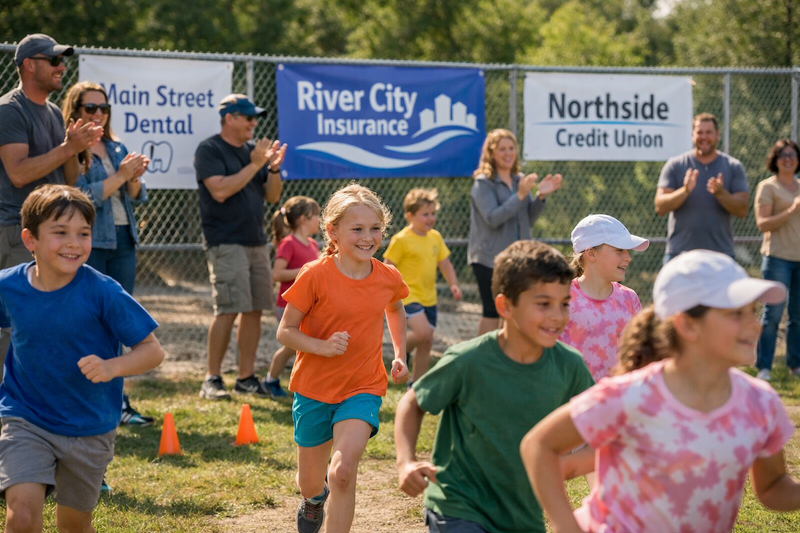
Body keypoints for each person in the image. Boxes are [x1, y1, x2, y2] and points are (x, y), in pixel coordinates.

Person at [521, 250, 800, 533]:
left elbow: (773, 488)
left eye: (752, 312)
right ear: (687, 325)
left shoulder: (760, 402)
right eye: (735, 314)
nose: (753, 325)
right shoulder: (631, 396)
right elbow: (539, 445)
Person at [395, 240, 594, 533]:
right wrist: (405, 462)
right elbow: (413, 402)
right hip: (459, 506)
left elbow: (598, 429)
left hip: (522, 517)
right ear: (505, 306)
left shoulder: (570, 365)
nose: (557, 315)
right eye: (543, 304)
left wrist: (565, 466)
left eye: (564, 304)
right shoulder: (469, 360)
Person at [0, 184, 164, 533]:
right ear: (30, 240)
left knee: (73, 526)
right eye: (60, 233)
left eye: (83, 233)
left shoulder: (103, 291)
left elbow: (153, 350)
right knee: (22, 517)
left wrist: (112, 367)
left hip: (89, 426)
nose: (74, 243)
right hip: (25, 418)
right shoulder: (8, 287)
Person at [276, 183, 409, 533]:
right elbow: (285, 331)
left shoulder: (387, 276)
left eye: (375, 229)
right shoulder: (314, 275)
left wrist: (399, 353)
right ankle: (313, 499)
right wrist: (322, 346)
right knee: (311, 481)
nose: (368, 237)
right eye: (358, 229)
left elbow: (395, 309)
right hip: (313, 388)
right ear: (332, 231)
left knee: (343, 472)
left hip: (363, 386)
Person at [0, 33, 103, 367]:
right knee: (12, 326)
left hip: (51, 233)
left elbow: (68, 179)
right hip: (18, 230)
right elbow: (17, 173)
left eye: (63, 60)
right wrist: (67, 148)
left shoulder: (55, 114)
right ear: (29, 65)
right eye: (54, 60)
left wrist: (78, 147)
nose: (62, 67)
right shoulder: (9, 110)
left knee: (47, 321)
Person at [63, 80, 153, 426]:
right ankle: (86, 396)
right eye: (90, 108)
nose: (99, 114)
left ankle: (117, 401)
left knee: (117, 322)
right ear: (75, 110)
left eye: (104, 108)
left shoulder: (115, 146)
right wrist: (121, 175)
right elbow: (81, 196)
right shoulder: (71, 150)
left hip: (123, 240)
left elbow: (136, 195)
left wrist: (133, 177)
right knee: (88, 322)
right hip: (91, 243)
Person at [194, 93, 285, 400]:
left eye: (254, 117)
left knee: (255, 309)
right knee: (228, 309)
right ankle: (212, 378)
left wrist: (271, 168)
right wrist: (255, 163)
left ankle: (246, 377)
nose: (253, 123)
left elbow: (272, 197)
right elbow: (220, 191)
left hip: (255, 241)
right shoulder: (209, 149)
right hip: (225, 241)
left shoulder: (252, 152)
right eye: (247, 117)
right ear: (229, 118)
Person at [468, 129, 563, 335]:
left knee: (511, 311)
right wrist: (520, 195)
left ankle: (504, 359)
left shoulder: (519, 180)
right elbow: (493, 218)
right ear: (492, 153)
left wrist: (540, 197)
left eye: (511, 148)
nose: (508, 153)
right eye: (502, 149)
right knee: (492, 311)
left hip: (518, 259)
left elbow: (527, 218)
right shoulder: (483, 183)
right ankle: (483, 362)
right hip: (488, 258)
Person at [384, 188, 462, 384]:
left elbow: (445, 263)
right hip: (407, 296)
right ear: (410, 215)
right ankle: (399, 352)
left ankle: (416, 386)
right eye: (425, 214)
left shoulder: (435, 237)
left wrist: (453, 284)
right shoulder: (401, 239)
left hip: (430, 298)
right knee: (423, 333)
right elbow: (388, 266)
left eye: (433, 213)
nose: (430, 218)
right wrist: (387, 290)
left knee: (426, 341)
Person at [560, 214, 648, 381]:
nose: (628, 257)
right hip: (571, 402)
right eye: (619, 250)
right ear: (591, 253)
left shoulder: (629, 298)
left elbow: (640, 353)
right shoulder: (561, 297)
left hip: (617, 402)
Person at [654, 113, 749, 262]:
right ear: (692, 134)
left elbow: (742, 210)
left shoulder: (733, 166)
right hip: (680, 254)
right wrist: (684, 191)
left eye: (708, 132)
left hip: (721, 255)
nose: (704, 137)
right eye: (699, 132)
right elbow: (660, 206)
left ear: (717, 135)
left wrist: (721, 193)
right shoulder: (675, 165)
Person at [266, 195, 321, 398]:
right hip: (287, 305)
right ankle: (270, 380)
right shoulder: (288, 243)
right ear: (303, 219)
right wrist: (306, 271)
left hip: (307, 305)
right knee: (292, 346)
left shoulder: (313, 244)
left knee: (301, 347)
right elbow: (277, 274)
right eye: (316, 215)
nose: (319, 220)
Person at [755, 139, 800, 381]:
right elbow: (763, 224)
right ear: (775, 159)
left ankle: (795, 366)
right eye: (783, 154)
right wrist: (792, 209)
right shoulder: (767, 187)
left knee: (798, 316)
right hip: (777, 259)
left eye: (792, 154)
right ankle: (764, 367)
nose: (788, 158)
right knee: (772, 314)